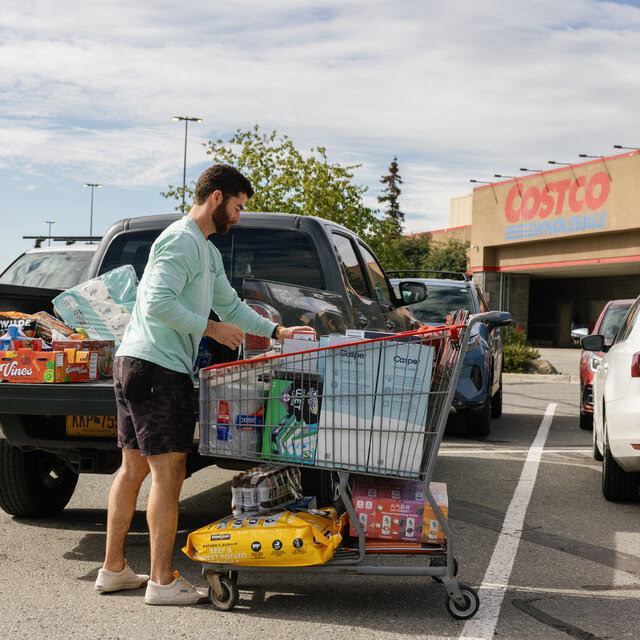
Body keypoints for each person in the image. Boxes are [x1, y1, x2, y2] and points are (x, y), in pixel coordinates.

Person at [94, 164, 307, 605]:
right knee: (167, 474)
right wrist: (210, 330)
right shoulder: (180, 239)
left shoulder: (206, 251)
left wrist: (276, 332)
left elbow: (230, 305)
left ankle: (114, 569)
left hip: (140, 364)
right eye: (238, 206)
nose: (240, 216)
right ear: (216, 199)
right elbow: (156, 303)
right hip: (155, 368)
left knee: (133, 468)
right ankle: (162, 580)